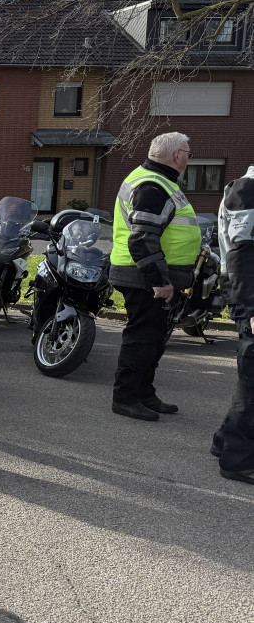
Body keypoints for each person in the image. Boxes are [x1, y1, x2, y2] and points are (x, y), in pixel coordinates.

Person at [109, 132, 201, 421]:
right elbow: (142, 239)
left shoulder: (158, 181)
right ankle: (125, 398)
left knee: (153, 340)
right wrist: (159, 281)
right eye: (188, 153)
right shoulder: (152, 185)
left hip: (150, 275)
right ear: (176, 155)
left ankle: (144, 394)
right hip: (145, 278)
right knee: (142, 339)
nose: (188, 158)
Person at [214, 164, 254, 483]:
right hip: (248, 293)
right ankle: (237, 461)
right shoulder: (248, 189)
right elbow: (243, 252)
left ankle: (224, 441)